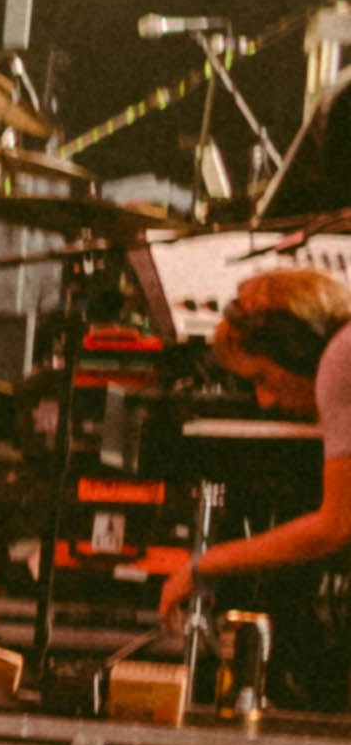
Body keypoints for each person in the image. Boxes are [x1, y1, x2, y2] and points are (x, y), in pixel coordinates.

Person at [142, 264, 351, 625]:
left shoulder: (339, 361)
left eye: (262, 377)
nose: (266, 399)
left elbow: (335, 526)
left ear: (295, 349)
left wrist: (202, 565)